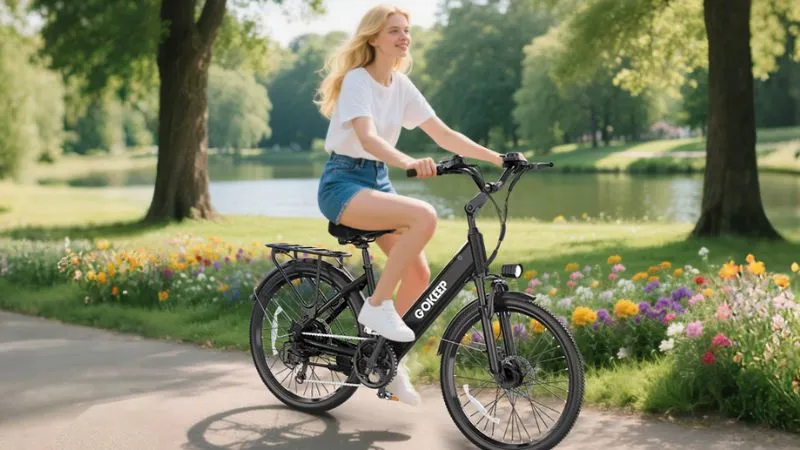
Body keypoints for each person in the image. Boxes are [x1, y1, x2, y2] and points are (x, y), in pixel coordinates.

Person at [314, 4, 522, 406]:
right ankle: (375, 308)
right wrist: (408, 161)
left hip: (376, 182)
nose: (403, 37)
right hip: (343, 182)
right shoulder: (359, 80)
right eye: (394, 30)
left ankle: (385, 360)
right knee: (423, 215)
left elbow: (443, 133)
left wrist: (500, 158)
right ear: (373, 37)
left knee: (419, 273)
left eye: (406, 30)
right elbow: (368, 137)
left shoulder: (400, 85)